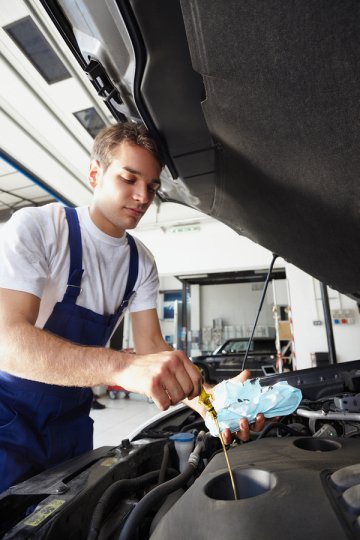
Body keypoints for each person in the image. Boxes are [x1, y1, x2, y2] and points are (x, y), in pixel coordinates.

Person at [0, 122, 263, 493]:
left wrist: (213, 404)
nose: (143, 196)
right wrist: (122, 367)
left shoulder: (141, 263)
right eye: (129, 179)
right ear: (95, 173)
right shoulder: (39, 229)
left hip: (71, 424)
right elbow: (7, 342)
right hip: (7, 418)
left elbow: (151, 347)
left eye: (152, 187)